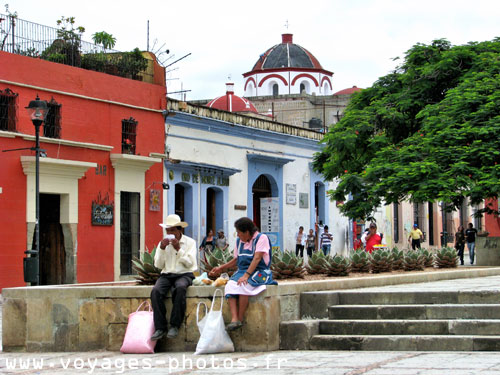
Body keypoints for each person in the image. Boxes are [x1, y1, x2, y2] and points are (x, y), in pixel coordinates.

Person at [209, 217, 277, 331]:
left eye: (239, 232)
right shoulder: (239, 241)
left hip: (260, 271)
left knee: (243, 285)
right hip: (242, 271)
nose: (238, 235)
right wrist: (221, 268)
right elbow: (236, 259)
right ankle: (234, 319)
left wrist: (246, 275)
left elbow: (257, 258)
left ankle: (240, 318)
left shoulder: (261, 238)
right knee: (230, 285)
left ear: (247, 232)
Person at [150, 214, 197, 341]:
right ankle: (160, 328)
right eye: (168, 230)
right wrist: (162, 248)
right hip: (166, 274)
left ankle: (175, 326)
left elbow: (190, 263)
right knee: (156, 291)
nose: (170, 233)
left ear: (179, 230)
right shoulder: (163, 244)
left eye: (172, 230)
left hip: (184, 273)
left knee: (180, 288)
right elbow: (158, 265)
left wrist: (178, 249)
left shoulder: (190, 243)